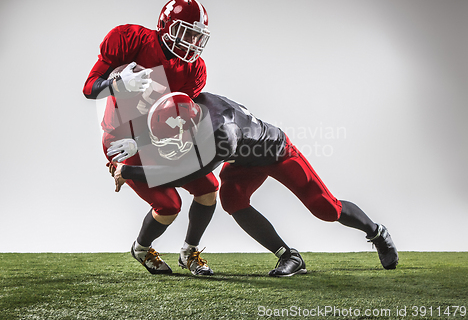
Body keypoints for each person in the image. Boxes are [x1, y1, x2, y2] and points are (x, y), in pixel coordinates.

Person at [108, 92, 399, 277]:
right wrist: (140, 140)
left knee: (325, 208)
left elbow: (183, 174)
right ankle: (290, 257)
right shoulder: (194, 106)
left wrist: (129, 171)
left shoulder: (223, 136)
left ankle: (376, 232)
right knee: (233, 200)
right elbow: (172, 125)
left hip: (276, 152)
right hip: (244, 158)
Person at [83, 0, 218, 275]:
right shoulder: (130, 40)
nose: (192, 41)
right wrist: (115, 84)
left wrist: (144, 142)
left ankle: (189, 252)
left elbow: (178, 121)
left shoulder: (194, 69)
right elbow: (89, 88)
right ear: (166, 26)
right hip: (122, 139)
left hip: (157, 140)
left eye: (197, 34)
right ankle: (142, 248)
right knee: (169, 205)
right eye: (186, 32)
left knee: (208, 189)